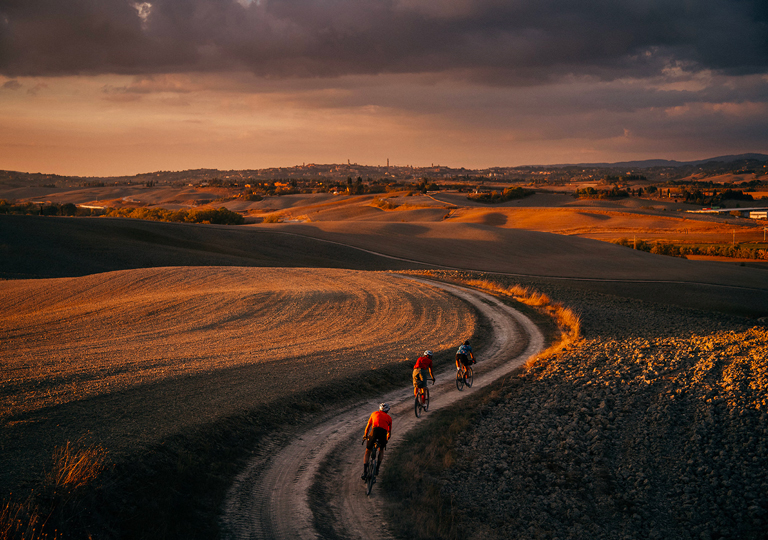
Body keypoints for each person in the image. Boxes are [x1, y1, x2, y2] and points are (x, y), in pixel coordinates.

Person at [362, 402, 392, 480]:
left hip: (374, 432)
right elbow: (389, 433)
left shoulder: (374, 413)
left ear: (379, 409)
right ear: (387, 411)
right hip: (383, 433)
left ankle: (365, 472)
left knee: (367, 451)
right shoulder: (389, 418)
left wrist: (365, 435)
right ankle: (377, 469)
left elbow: (368, 426)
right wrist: (386, 440)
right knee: (381, 450)